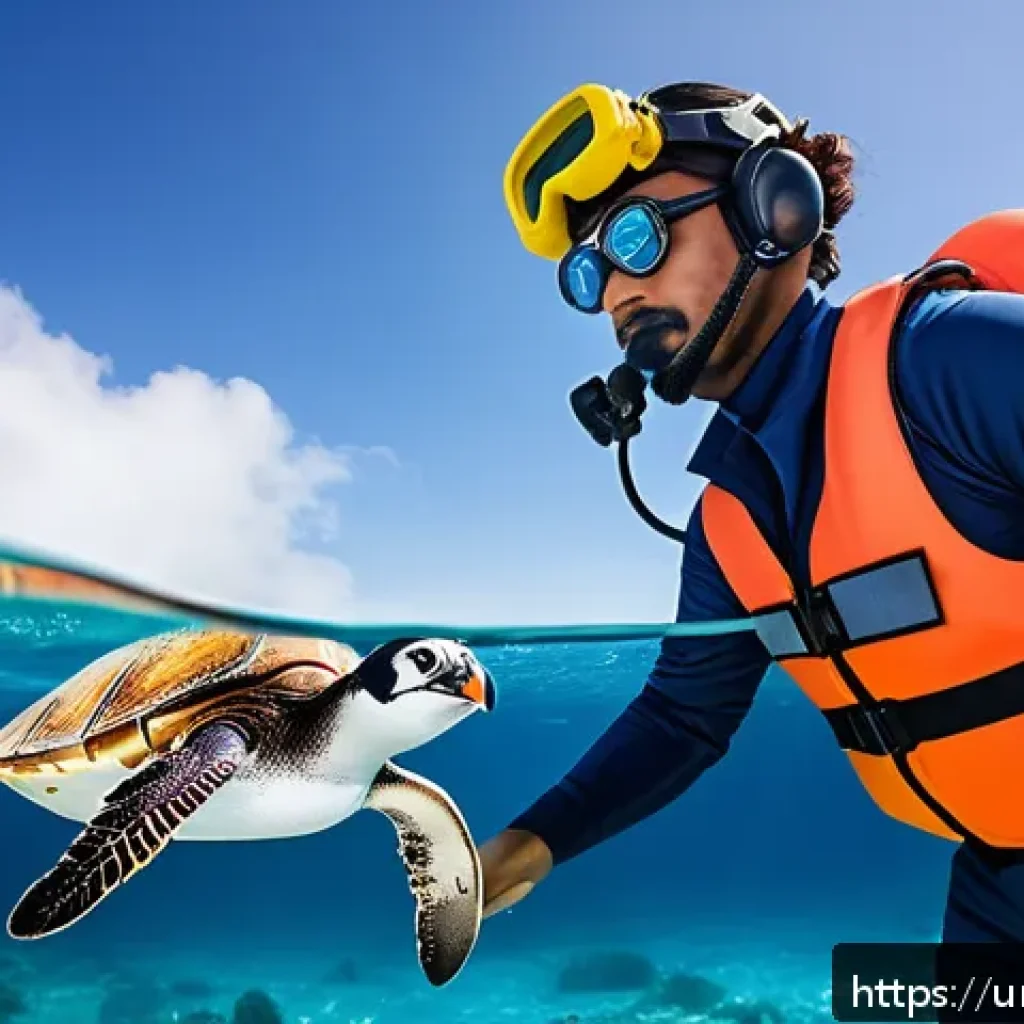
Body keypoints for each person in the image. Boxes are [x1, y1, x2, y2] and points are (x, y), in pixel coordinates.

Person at [479, 79, 1024, 944]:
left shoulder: (951, 359)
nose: (615, 292)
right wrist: (527, 844)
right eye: (590, 273)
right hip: (996, 883)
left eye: (637, 236)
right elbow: (681, 717)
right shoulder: (729, 525)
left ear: (776, 209)